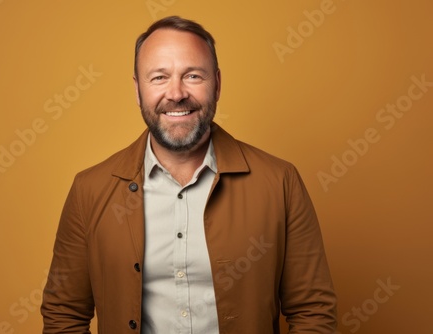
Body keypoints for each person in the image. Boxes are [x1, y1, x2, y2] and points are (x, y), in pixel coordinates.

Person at [41, 16, 337, 334]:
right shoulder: (90, 190)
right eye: (159, 77)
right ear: (138, 90)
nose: (177, 93)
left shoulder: (280, 182)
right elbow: (64, 314)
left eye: (193, 75)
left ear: (218, 84)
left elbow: (313, 312)